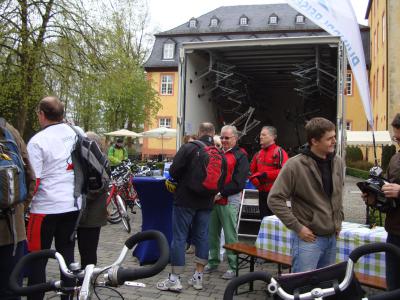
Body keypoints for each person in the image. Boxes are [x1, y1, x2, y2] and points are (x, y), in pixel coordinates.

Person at [268, 117, 344, 273]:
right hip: (308, 239)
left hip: (332, 237)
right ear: (314, 141)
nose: (334, 141)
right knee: (302, 289)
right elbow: (274, 199)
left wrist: (338, 220)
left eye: (334, 137)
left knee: (326, 287)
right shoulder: (295, 165)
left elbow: (337, 194)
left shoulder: (338, 162)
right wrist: (298, 227)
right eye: (329, 139)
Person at [26, 96, 83, 300]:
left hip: (44, 208)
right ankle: (68, 296)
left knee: (37, 259)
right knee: (67, 255)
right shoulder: (75, 134)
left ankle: (35, 297)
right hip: (72, 205)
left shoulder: (38, 141)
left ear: (42, 115)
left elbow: (35, 181)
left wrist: (25, 206)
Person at [157, 122, 216, 292]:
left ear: (199, 132)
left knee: (179, 238)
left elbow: (174, 171)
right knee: (202, 237)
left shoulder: (190, 147)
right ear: (213, 133)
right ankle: (198, 277)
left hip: (185, 200)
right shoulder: (217, 151)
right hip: (206, 201)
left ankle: (175, 279)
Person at [204, 125, 249, 280]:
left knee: (230, 235)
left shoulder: (241, 155)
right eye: (222, 137)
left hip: (229, 199)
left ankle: (233, 266)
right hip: (214, 199)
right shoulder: (217, 152)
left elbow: (239, 182)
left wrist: (220, 193)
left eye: (227, 138)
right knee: (212, 233)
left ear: (235, 138)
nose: (223, 140)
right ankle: (213, 261)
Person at [363, 113, 400, 290]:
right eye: (396, 138)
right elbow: (390, 199)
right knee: (393, 285)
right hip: (394, 231)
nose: (397, 142)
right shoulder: (395, 159)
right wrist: (375, 198)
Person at [0, 120, 35, 300]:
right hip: (12, 229)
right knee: (10, 289)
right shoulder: (8, 130)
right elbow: (30, 178)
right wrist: (18, 208)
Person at [77, 131, 108, 268]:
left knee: (88, 251)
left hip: (90, 215)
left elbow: (97, 188)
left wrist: (80, 197)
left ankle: (87, 279)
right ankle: (87, 277)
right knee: (88, 250)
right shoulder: (102, 160)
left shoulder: (96, 163)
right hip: (94, 215)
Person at [249, 126, 288, 219]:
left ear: (273, 137)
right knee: (264, 221)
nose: (260, 137)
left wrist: (266, 175)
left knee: (276, 222)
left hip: (276, 194)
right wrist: (256, 181)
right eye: (260, 135)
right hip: (262, 193)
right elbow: (250, 172)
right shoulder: (258, 154)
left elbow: (285, 172)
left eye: (264, 135)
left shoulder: (280, 152)